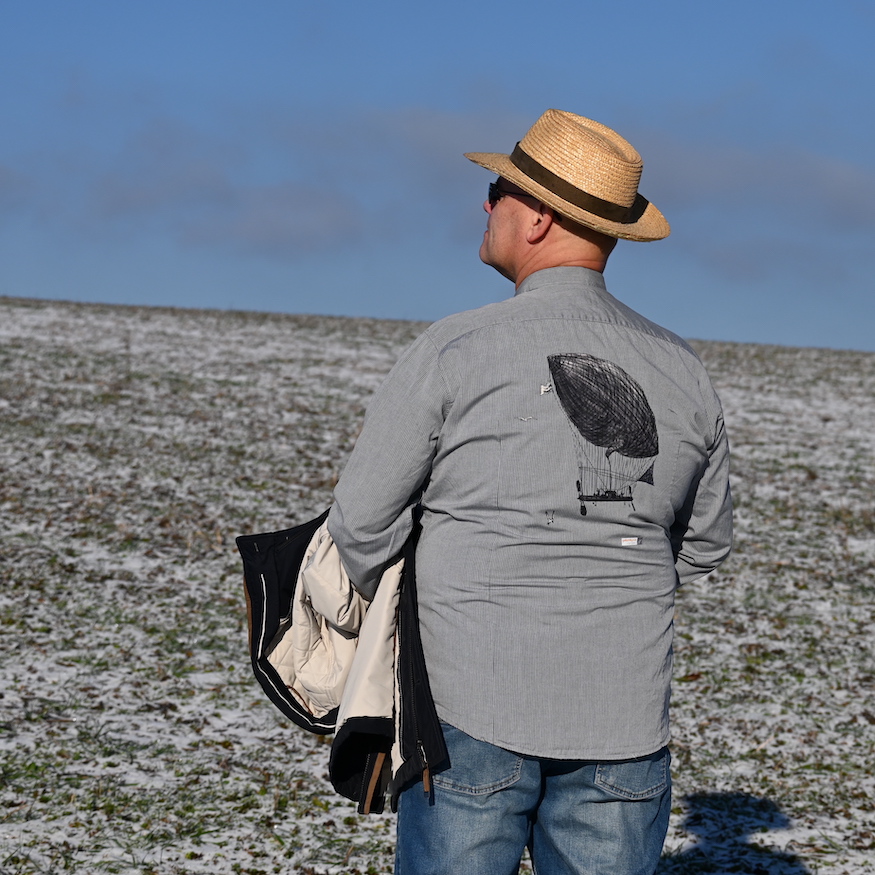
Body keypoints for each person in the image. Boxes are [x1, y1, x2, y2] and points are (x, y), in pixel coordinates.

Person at [327, 109, 732, 875]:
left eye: (496, 191)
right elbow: (704, 545)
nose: (485, 207)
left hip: (468, 709)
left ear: (540, 218)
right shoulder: (684, 370)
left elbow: (359, 527)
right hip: (624, 719)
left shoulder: (456, 348)